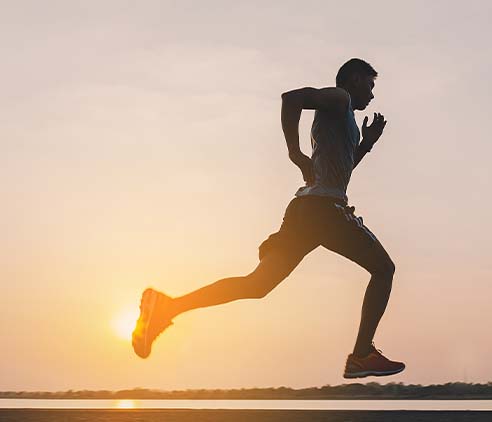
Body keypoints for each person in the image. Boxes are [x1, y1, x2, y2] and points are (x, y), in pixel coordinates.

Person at [131, 58, 405, 379]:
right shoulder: (339, 98)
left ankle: (167, 307)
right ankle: (361, 355)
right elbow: (292, 98)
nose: (372, 97)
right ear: (355, 79)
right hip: (323, 210)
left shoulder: (346, 121)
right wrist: (294, 152)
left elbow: (341, 172)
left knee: (257, 284)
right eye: (370, 87)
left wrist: (368, 143)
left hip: (307, 210)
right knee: (384, 269)